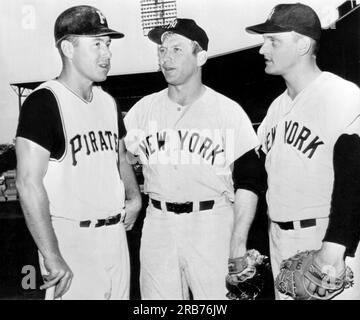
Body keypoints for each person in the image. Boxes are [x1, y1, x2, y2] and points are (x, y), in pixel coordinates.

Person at [124, 18, 263, 300]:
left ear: (200, 56)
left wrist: (238, 240)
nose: (165, 58)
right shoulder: (143, 110)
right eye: (162, 51)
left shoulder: (227, 111)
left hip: (211, 222)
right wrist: (133, 197)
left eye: (177, 49)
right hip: (158, 222)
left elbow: (250, 177)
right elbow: (122, 156)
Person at [15, 5, 141, 300]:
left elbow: (119, 156)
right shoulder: (45, 101)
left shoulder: (108, 102)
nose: (107, 53)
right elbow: (27, 183)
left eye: (108, 44)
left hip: (115, 237)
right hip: (73, 239)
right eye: (96, 44)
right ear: (68, 48)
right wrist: (51, 255)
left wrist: (134, 197)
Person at [245, 3, 360, 299]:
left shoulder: (343, 95)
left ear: (303, 45)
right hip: (280, 239)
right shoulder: (275, 109)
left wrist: (332, 250)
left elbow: (355, 175)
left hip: (328, 241)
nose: (263, 49)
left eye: (273, 40)